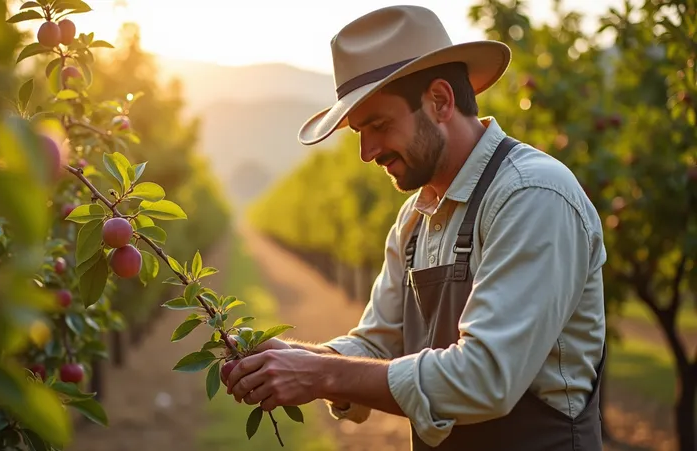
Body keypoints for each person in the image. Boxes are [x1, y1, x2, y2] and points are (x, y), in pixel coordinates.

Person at [222, 5, 607, 450]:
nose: (367, 152)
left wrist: (321, 373)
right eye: (359, 133)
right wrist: (302, 357)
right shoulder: (414, 220)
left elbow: (485, 379)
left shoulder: (532, 195)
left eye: (379, 125)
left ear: (440, 101)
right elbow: (377, 344)